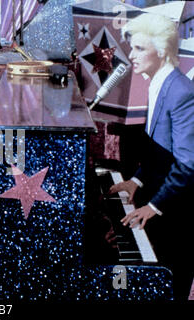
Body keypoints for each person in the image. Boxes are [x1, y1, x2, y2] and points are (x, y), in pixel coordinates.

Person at [109, 13, 194, 300]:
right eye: (132, 47)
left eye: (140, 48)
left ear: (161, 50)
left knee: (172, 288)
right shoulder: (158, 82)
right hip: (166, 199)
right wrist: (137, 180)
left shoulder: (181, 92)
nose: (131, 55)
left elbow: (188, 163)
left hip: (182, 213)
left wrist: (154, 206)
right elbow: (161, 150)